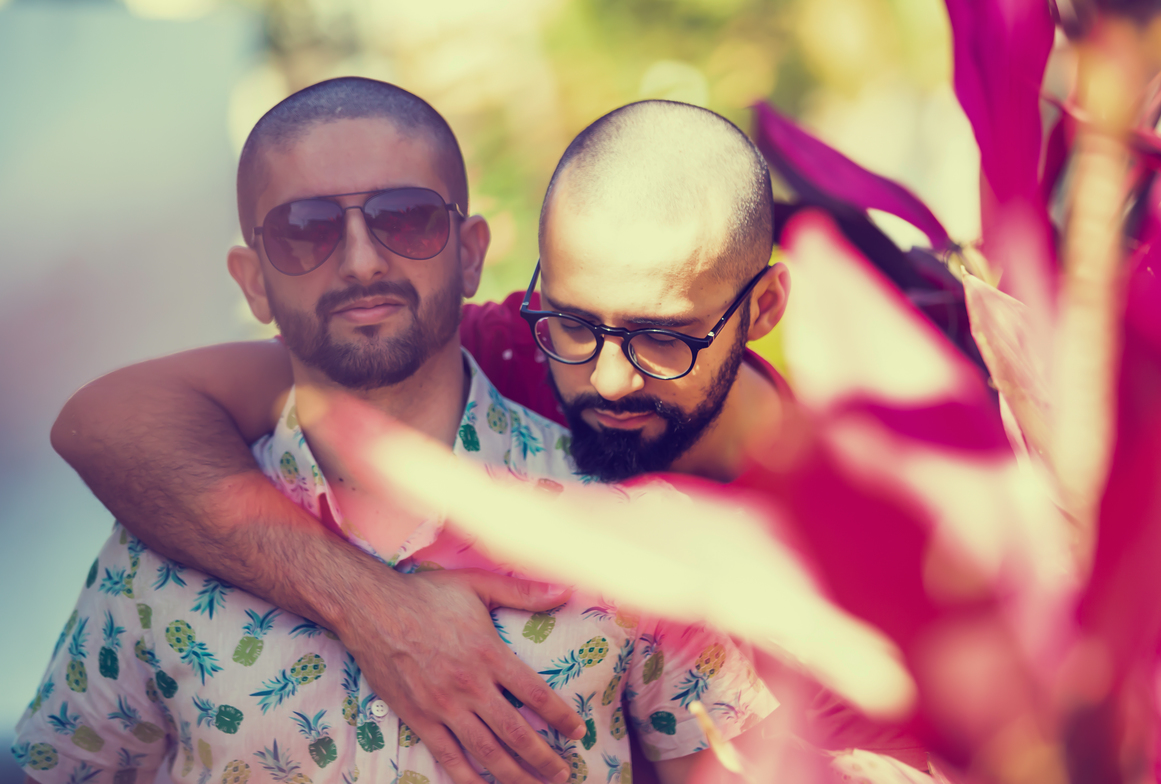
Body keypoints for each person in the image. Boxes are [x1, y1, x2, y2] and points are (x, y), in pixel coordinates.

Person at [47, 91, 926, 776]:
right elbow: (108, 424)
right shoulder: (494, 350)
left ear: (762, 308)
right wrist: (374, 606)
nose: (608, 376)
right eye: (575, 323)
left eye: (663, 338)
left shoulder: (889, 527)